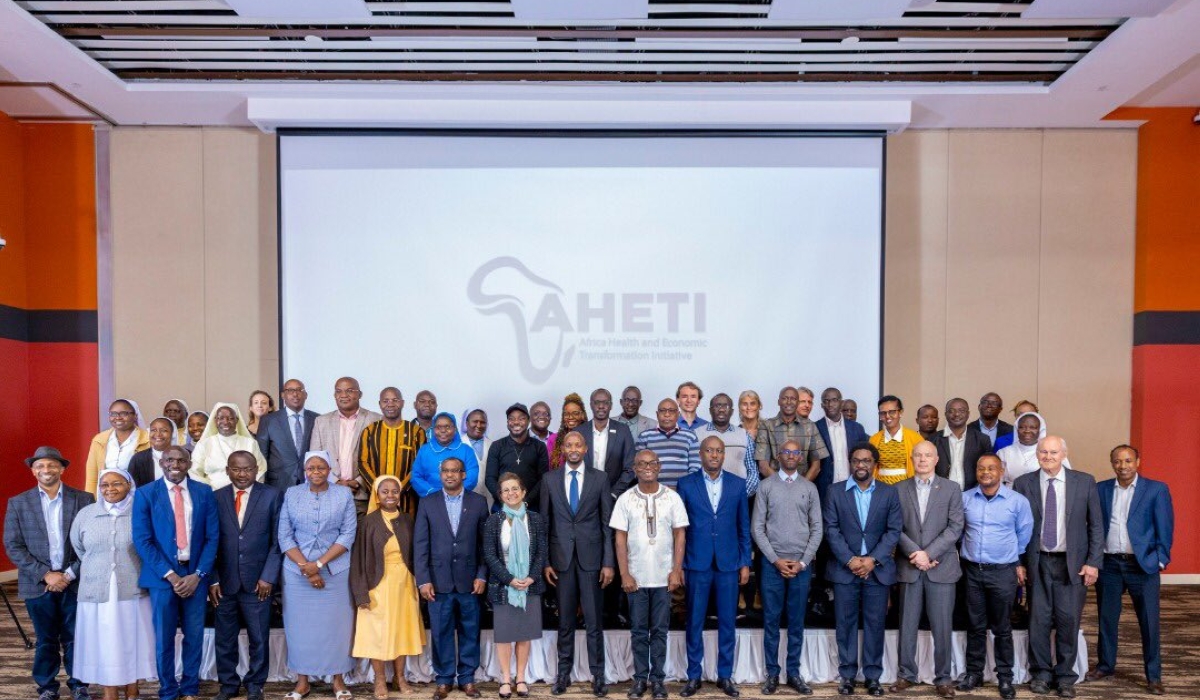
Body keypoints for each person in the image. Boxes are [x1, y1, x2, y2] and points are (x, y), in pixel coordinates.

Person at [1012, 436, 1103, 698]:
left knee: (1068, 620)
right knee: (1038, 620)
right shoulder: (1023, 483)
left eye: (1053, 452)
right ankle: (1040, 673)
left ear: (1064, 453)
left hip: (1072, 564)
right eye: (1043, 452)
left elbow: (1096, 526)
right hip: (1037, 561)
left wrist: (1093, 562)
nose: (1048, 456)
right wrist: (1018, 562)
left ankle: (1065, 676)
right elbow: (1016, 527)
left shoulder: (1084, 481)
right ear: (1037, 455)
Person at [4, 446, 96, 700]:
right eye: (41, 466)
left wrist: (68, 574)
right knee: (45, 639)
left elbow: (91, 542)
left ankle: (79, 684)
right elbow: (13, 545)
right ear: (33, 471)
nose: (47, 470)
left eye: (52, 465)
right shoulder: (18, 503)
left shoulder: (84, 499)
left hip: (75, 582)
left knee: (75, 636)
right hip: (37, 583)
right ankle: (47, 687)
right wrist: (46, 575)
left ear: (62, 469)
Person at [131, 445, 218, 700]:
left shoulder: (204, 492)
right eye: (169, 459)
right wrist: (170, 575)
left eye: (181, 460)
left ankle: (190, 688)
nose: (175, 464)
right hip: (162, 578)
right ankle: (168, 690)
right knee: (164, 638)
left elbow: (212, 537)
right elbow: (142, 539)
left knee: (194, 635)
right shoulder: (146, 494)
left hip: (195, 575)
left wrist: (198, 574)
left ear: (190, 463)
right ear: (162, 463)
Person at [1088, 445, 1174, 695]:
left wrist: (1159, 560)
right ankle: (1105, 666)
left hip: (1142, 565)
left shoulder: (1156, 489)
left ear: (1137, 461)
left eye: (1127, 461)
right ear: (1112, 463)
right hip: (1110, 565)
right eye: (1117, 461)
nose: (1122, 466)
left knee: (1149, 622)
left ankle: (1154, 675)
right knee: (1106, 618)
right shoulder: (1101, 488)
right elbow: (1094, 525)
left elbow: (1165, 528)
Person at [824, 443, 903, 697]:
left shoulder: (889, 494)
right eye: (856, 460)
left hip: (876, 571)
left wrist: (872, 560)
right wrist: (850, 560)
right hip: (844, 570)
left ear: (875, 465)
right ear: (850, 463)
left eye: (866, 460)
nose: (861, 465)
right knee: (845, 625)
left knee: (874, 624)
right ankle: (846, 676)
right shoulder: (835, 492)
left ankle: (872, 677)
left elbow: (894, 531)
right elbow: (831, 530)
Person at [278, 451, 357, 700]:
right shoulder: (292, 494)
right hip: (296, 572)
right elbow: (285, 535)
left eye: (321, 467)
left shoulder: (343, 494)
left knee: (337, 628)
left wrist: (319, 564)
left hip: (335, 571)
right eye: (311, 468)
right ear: (304, 470)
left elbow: (348, 534)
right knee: (299, 628)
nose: (316, 472)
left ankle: (338, 679)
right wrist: (306, 567)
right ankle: (302, 681)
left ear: (330, 469)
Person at [541, 431, 615, 697]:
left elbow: (607, 523)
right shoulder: (549, 479)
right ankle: (563, 674)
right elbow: (545, 523)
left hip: (591, 559)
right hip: (561, 560)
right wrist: (546, 561)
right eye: (568, 445)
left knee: (594, 621)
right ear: (563, 450)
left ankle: (598, 675)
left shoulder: (600, 478)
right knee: (566, 621)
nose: (573, 449)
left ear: (585, 449)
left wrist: (608, 562)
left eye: (578, 445)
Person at [610, 450, 689, 700]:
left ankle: (657, 681)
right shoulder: (625, 499)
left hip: (664, 579)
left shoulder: (672, 498)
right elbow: (619, 538)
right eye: (642, 464)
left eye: (652, 463)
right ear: (634, 468)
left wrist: (676, 569)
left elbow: (680, 534)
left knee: (660, 631)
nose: (647, 467)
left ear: (659, 466)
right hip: (637, 578)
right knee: (638, 631)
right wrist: (625, 574)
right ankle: (639, 680)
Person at [70, 468, 154, 700]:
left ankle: (132, 688)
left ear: (129, 485)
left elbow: (149, 546)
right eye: (104, 485)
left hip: (133, 588)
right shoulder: (86, 514)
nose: (110, 489)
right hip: (96, 590)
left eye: (116, 484)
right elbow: (79, 548)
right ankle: (109, 692)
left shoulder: (140, 511)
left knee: (132, 641)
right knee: (104, 643)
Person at [677, 437, 751, 699]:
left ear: (723, 455)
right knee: (694, 621)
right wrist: (680, 565)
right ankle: (693, 676)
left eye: (719, 451)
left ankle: (725, 675)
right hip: (697, 562)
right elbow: (680, 530)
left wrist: (745, 562)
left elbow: (743, 526)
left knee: (728, 622)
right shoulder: (686, 484)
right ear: (701, 454)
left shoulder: (737, 484)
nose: (714, 455)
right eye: (709, 450)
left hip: (729, 563)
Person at [890, 442, 964, 698]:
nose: (922, 459)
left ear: (936, 460)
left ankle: (943, 677)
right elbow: (894, 528)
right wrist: (916, 554)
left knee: (942, 625)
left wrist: (929, 554)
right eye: (918, 455)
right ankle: (906, 674)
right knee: (907, 624)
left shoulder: (952, 489)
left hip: (940, 567)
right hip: (910, 567)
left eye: (927, 455)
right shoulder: (898, 489)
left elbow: (955, 527)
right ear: (912, 459)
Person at [956, 453, 1033, 700]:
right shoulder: (965, 498)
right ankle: (974, 673)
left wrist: (1015, 560)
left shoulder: (1017, 501)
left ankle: (1005, 678)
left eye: (992, 468)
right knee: (975, 626)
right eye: (981, 468)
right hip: (972, 571)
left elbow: (1024, 535)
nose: (986, 472)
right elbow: (958, 531)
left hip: (1002, 572)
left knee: (1002, 628)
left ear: (1002, 471)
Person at [208, 451, 283, 700]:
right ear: (228, 470)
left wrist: (268, 577)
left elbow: (277, 541)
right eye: (237, 469)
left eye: (248, 469)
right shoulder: (215, 498)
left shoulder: (272, 496)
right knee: (224, 638)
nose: (242, 474)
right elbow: (209, 541)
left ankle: (255, 684)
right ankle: (228, 684)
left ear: (257, 469)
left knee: (259, 637)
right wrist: (213, 578)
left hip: (258, 581)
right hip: (224, 583)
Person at [414, 457, 490, 700]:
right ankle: (444, 679)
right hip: (438, 581)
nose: (449, 476)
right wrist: (423, 580)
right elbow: (420, 544)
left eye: (454, 471)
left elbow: (484, 545)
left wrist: (482, 575)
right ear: (440, 474)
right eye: (445, 471)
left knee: (470, 631)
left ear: (463, 474)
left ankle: (467, 679)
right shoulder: (427, 503)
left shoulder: (478, 503)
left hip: (470, 581)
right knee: (441, 632)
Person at [753, 439, 822, 696]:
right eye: (786, 452)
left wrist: (803, 561)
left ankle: (793, 672)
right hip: (773, 565)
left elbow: (817, 528)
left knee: (796, 622)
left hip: (801, 566)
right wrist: (775, 560)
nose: (791, 456)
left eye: (795, 452)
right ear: (778, 456)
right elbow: (757, 528)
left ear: (800, 457)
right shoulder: (766, 486)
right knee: (771, 621)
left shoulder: (810, 488)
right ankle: (772, 674)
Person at [351, 475, 424, 699]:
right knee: (377, 634)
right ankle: (380, 680)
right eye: (385, 491)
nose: (390, 495)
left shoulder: (408, 520)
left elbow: (417, 555)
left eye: (395, 491)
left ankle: (399, 677)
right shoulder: (367, 522)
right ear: (376, 494)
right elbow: (357, 561)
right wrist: (361, 592)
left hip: (404, 584)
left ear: (400, 495)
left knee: (401, 631)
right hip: (377, 585)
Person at [484, 473, 549, 700]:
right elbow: (490, 556)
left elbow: (541, 551)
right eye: (505, 490)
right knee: (504, 635)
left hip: (529, 586)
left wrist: (531, 577)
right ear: (500, 495)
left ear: (523, 492)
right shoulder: (494, 520)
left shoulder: (535, 519)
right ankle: (505, 678)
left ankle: (520, 677)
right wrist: (509, 579)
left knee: (524, 634)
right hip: (504, 587)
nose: (511, 493)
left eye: (515, 489)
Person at [311, 377, 383, 517]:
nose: (344, 395)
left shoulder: (376, 420)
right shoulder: (321, 422)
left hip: (363, 495)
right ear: (334, 395)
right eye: (339, 391)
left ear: (360, 394)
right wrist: (336, 482)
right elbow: (315, 459)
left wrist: (358, 482)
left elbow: (379, 459)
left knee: (362, 538)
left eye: (350, 390)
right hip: (329, 493)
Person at [359, 387, 429, 515]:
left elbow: (421, 465)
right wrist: (379, 488)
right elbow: (362, 462)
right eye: (385, 401)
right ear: (380, 404)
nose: (390, 404)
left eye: (395, 400)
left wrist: (401, 488)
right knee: (378, 532)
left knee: (406, 532)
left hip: (407, 499)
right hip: (376, 498)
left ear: (402, 403)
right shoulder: (370, 431)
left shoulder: (416, 432)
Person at [256, 378, 318, 492]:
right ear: (283, 395)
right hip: (278, 485)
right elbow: (261, 456)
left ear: (306, 395)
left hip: (310, 484)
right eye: (290, 390)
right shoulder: (268, 420)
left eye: (299, 390)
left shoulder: (317, 419)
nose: (295, 394)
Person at [573, 388, 637, 497]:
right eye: (597, 402)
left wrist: (614, 493)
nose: (601, 406)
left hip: (614, 497)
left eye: (605, 402)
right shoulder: (579, 432)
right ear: (591, 405)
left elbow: (630, 467)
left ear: (611, 405)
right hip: (584, 496)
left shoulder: (623, 431)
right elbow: (573, 465)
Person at [754, 387, 827, 480]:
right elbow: (763, 467)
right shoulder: (766, 426)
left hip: (802, 489)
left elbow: (816, 467)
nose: (789, 402)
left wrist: (799, 486)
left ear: (797, 402)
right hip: (774, 489)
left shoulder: (810, 426)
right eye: (784, 398)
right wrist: (783, 486)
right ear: (778, 402)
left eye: (793, 399)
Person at [486, 404, 550, 510]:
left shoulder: (539, 446)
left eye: (521, 418)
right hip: (502, 506)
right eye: (512, 419)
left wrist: (526, 502)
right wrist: (504, 499)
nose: (516, 422)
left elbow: (543, 479)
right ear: (507, 423)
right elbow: (490, 479)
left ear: (528, 421)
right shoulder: (497, 446)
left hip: (531, 506)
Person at [692, 394, 759, 495]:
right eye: (717, 406)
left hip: (740, 497)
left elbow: (752, 470)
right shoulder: (697, 434)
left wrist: (740, 494)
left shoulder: (744, 434)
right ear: (710, 410)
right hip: (705, 497)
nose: (722, 410)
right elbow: (693, 469)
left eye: (726, 406)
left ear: (731, 411)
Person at [190, 403, 268, 489]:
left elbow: (260, 469)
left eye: (230, 418)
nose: (225, 422)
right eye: (221, 418)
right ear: (215, 420)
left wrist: (246, 489)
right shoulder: (204, 444)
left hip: (245, 494)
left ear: (237, 420)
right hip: (212, 494)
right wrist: (210, 490)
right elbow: (195, 472)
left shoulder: (250, 443)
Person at [814, 387, 869, 506]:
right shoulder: (815, 428)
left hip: (852, 487)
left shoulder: (857, 428)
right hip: (825, 490)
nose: (830, 404)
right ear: (822, 405)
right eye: (826, 401)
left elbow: (866, 460)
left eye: (834, 400)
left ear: (841, 402)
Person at [85, 398, 150, 494]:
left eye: (124, 413)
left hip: (135, 497)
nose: (118, 417)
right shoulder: (99, 440)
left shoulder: (147, 440)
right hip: (106, 497)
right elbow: (92, 477)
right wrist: (90, 501)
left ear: (135, 416)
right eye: (113, 414)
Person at [633, 399, 700, 489]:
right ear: (657, 414)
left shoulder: (690, 436)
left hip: (683, 492)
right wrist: (655, 489)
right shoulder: (645, 437)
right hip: (652, 492)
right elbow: (639, 468)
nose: (667, 414)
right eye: (662, 411)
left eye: (671, 411)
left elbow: (695, 468)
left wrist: (683, 489)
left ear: (678, 415)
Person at [412, 412, 481, 498]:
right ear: (433, 429)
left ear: (455, 429)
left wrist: (454, 493)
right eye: (438, 427)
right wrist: (433, 493)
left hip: (460, 499)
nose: (443, 430)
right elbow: (416, 476)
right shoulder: (424, 450)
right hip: (430, 499)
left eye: (447, 427)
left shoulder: (466, 450)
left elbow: (472, 476)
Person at [935, 398, 993, 492]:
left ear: (968, 414)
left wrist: (976, 491)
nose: (956, 414)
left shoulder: (982, 439)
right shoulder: (934, 439)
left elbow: (988, 468)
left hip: (973, 495)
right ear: (946, 414)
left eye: (961, 411)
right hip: (941, 495)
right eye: (951, 411)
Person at [998, 412, 1071, 486]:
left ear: (1040, 430)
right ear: (1017, 430)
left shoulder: (1054, 452)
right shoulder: (1003, 453)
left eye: (1032, 427)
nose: (1027, 431)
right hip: (1013, 495)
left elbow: (1067, 479)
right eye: (1022, 427)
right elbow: (997, 481)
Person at [868, 395, 922, 485]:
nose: (887, 416)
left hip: (908, 489)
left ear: (900, 412)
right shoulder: (874, 440)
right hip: (881, 489)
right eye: (883, 413)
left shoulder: (915, 438)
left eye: (892, 412)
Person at [129, 417, 176, 487]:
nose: (158, 434)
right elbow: (133, 487)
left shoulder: (186, 455)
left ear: (172, 433)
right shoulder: (138, 459)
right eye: (153, 430)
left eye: (164, 430)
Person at [462, 408, 494, 505]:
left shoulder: (494, 445)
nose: (479, 425)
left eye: (483, 422)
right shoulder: (457, 445)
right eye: (475, 421)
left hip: (490, 499)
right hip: (465, 498)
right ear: (467, 423)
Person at [549, 393, 588, 469]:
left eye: (575, 413)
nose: (570, 417)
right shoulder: (553, 439)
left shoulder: (590, 437)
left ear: (582, 415)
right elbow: (550, 470)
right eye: (566, 414)